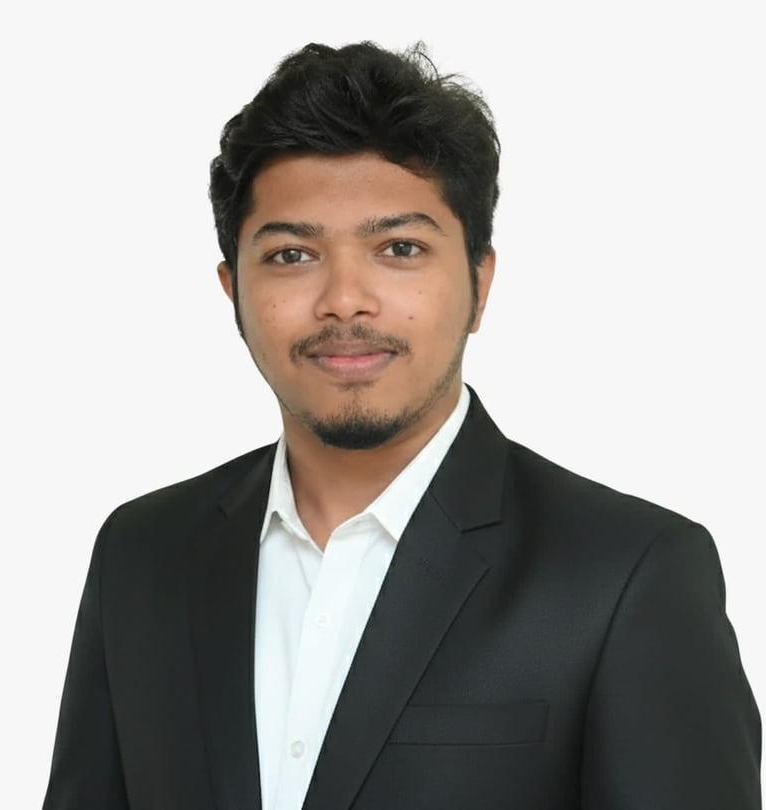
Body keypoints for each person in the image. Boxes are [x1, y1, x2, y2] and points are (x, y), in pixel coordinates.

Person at [43, 41, 761, 810]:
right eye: (291, 255)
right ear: (233, 291)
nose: (344, 299)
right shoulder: (142, 555)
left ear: (479, 283)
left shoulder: (627, 574)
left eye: (400, 248)